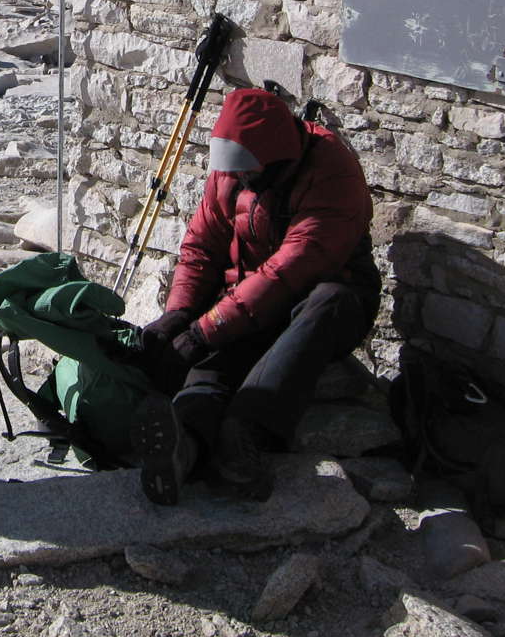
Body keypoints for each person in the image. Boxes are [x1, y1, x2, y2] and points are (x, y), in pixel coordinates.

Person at [130, 86, 380, 505]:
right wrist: (181, 313)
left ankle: (246, 431)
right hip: (253, 295)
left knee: (326, 302)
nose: (241, 177)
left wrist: (203, 331)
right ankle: (185, 444)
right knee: (215, 358)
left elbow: (290, 270)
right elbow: (202, 247)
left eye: (248, 170)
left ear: (277, 156)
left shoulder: (333, 173)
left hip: (325, 297)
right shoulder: (233, 169)